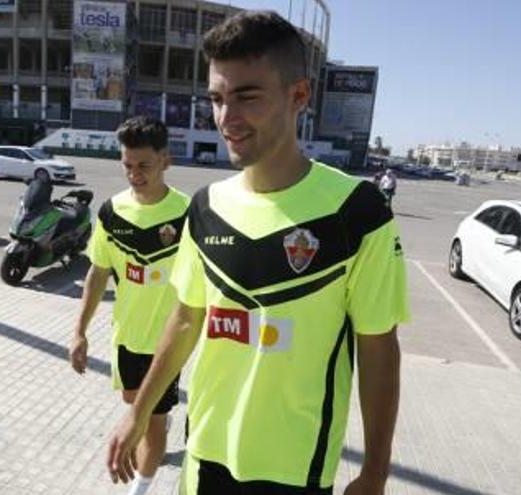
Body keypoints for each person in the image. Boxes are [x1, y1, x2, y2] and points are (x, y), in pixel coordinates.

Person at [106, 11, 409, 495]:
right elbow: (185, 320)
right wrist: (137, 413)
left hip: (296, 469)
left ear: (299, 96)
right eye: (217, 99)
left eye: (247, 96)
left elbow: (378, 350)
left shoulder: (358, 211)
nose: (227, 117)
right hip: (206, 455)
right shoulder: (207, 207)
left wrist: (375, 471)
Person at [69, 116, 189, 495]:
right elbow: (97, 273)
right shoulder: (111, 212)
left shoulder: (189, 214)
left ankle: (141, 488)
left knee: (149, 422)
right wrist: (79, 332)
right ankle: (160, 423)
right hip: (126, 338)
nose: (134, 174)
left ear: (166, 160)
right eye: (127, 165)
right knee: (131, 401)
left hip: (168, 344)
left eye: (144, 166)